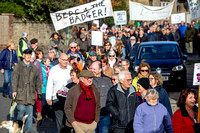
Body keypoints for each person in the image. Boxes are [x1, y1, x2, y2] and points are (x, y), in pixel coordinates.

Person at [12, 49, 42, 133]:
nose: (28, 56)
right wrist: (14, 90)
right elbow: (14, 79)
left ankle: (27, 131)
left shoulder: (34, 67)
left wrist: (39, 92)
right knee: (21, 111)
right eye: (27, 54)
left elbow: (37, 81)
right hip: (21, 94)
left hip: (31, 95)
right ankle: (18, 129)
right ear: (23, 55)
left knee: (29, 115)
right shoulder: (19, 66)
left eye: (30, 54)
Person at [46, 53, 72, 133]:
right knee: (59, 121)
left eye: (67, 60)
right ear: (59, 60)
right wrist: (48, 98)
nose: (65, 62)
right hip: (57, 98)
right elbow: (49, 84)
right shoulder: (54, 69)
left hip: (68, 99)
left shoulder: (70, 69)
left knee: (68, 121)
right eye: (63, 60)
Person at [90, 61, 113, 133]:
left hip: (104, 115)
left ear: (100, 70)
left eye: (94, 69)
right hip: (91, 116)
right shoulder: (88, 80)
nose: (92, 70)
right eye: (91, 69)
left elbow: (112, 96)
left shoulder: (107, 80)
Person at [30, 52, 43, 121]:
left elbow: (40, 73)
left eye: (32, 59)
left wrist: (41, 82)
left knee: (37, 99)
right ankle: (29, 114)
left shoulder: (37, 63)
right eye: (30, 59)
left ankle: (39, 113)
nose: (31, 60)